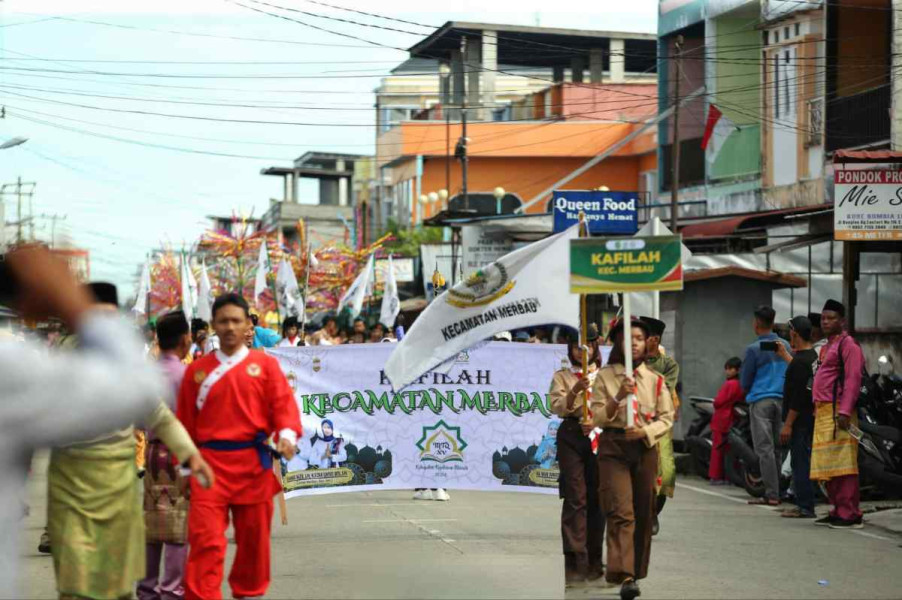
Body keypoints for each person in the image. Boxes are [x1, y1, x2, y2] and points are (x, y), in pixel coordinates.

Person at [0, 246, 174, 598]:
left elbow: (155, 410)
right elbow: (140, 388)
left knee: (116, 581)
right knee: (78, 583)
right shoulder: (24, 363)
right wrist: (76, 307)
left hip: (117, 478)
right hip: (73, 477)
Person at [45, 285, 214, 600]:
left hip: (120, 492)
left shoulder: (128, 371)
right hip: (73, 497)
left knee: (121, 587)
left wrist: (192, 457)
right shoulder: (61, 369)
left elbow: (159, 415)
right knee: (77, 587)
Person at [177, 293, 302, 599]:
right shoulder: (197, 371)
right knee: (205, 541)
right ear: (214, 326)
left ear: (248, 324)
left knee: (254, 541)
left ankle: (248, 592)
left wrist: (286, 436)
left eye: (236, 320)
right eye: (223, 321)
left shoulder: (266, 366)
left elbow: (283, 407)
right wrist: (184, 467)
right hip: (209, 466)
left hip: (252, 465)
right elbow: (184, 423)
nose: (230, 327)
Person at [590, 318, 673, 600]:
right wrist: (618, 397)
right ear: (618, 342)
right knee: (621, 511)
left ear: (646, 343)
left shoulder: (655, 379)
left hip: (644, 448)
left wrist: (646, 431)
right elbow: (598, 417)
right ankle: (625, 575)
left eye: (639, 338)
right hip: (614, 447)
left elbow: (667, 418)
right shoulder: (605, 376)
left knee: (643, 512)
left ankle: (634, 573)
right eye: (629, 338)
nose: (634, 342)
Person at [138, 311, 197, 600]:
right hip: (178, 453)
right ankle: (172, 590)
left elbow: (136, 421)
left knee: (151, 524)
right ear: (186, 339)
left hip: (150, 453)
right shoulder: (186, 375)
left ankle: (146, 589)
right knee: (177, 525)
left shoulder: (145, 375)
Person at [548, 327, 604, 588]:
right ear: (569, 349)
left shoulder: (604, 376)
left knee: (597, 499)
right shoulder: (562, 376)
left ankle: (594, 561)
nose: (582, 352)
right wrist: (575, 391)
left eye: (588, 346)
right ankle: (574, 563)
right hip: (570, 434)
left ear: (595, 347)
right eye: (576, 347)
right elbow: (556, 406)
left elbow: (615, 407)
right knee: (575, 497)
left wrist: (594, 421)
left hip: (599, 436)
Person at [809, 299, 865, 529]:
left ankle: (850, 513)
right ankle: (836, 508)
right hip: (823, 412)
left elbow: (853, 379)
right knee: (827, 464)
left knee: (844, 464)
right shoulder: (826, 346)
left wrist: (844, 410)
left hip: (838, 411)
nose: (825, 322)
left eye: (831, 318)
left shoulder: (848, 345)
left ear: (842, 321)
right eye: (823, 318)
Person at [740, 305, 791, 506]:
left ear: (757, 323)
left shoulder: (753, 349)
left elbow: (745, 380)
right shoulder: (785, 345)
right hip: (782, 401)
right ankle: (778, 491)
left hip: (761, 401)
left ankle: (771, 494)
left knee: (765, 449)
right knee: (778, 448)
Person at [774, 315, 818, 519]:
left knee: (800, 463)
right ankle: (804, 503)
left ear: (795, 333)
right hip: (809, 418)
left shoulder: (801, 362)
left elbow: (799, 398)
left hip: (799, 422)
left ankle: (805, 506)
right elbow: (799, 370)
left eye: (790, 331)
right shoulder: (810, 358)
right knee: (802, 462)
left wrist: (788, 424)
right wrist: (785, 355)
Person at [639, 316, 679, 534]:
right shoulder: (633, 360)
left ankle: (653, 514)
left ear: (655, 340)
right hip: (636, 422)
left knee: (666, 473)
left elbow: (664, 388)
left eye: (646, 337)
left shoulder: (669, 364)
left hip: (660, 424)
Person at [709, 357, 745, 485]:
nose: (727, 371)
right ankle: (728, 476)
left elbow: (718, 402)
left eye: (730, 369)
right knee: (730, 450)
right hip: (733, 420)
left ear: (737, 370)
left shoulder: (729, 384)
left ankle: (715, 476)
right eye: (727, 369)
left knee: (717, 449)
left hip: (721, 418)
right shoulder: (741, 385)